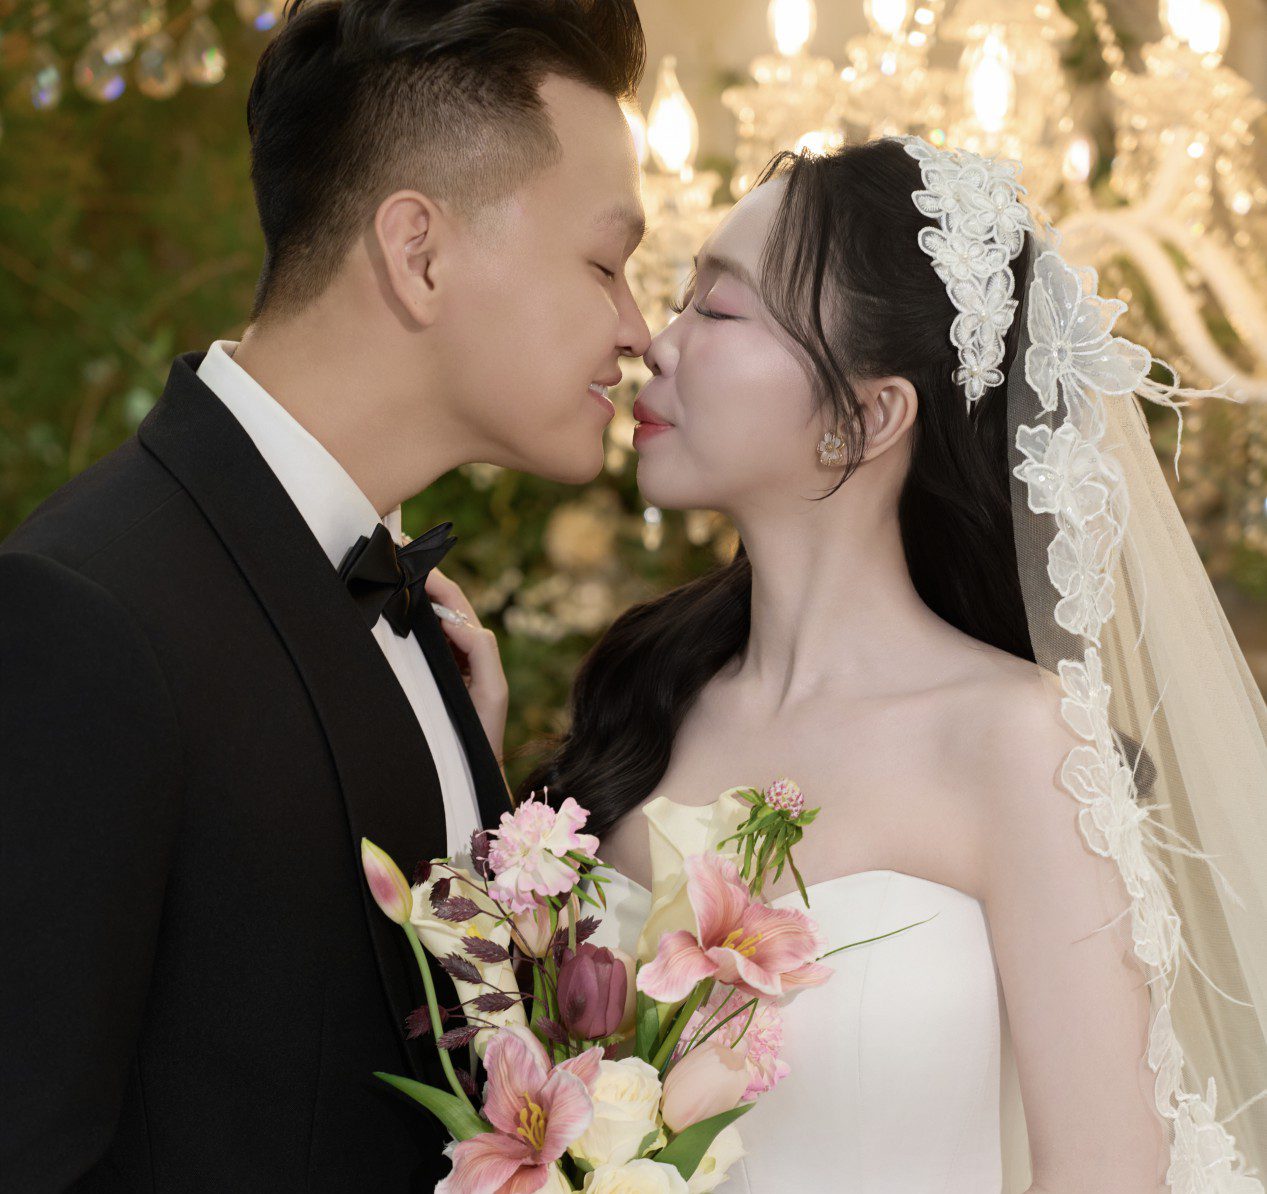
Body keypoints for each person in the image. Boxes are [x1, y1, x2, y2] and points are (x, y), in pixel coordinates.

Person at [489, 137, 1266, 1191]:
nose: (654, 346)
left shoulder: (1018, 741)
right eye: (677, 304)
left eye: (716, 311)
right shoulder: (646, 700)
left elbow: (1104, 1174)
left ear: (868, 416)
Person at [0, 1, 650, 1189]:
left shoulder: (416, 613)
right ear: (419, 253)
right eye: (606, 266)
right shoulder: (87, 612)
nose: (637, 330)